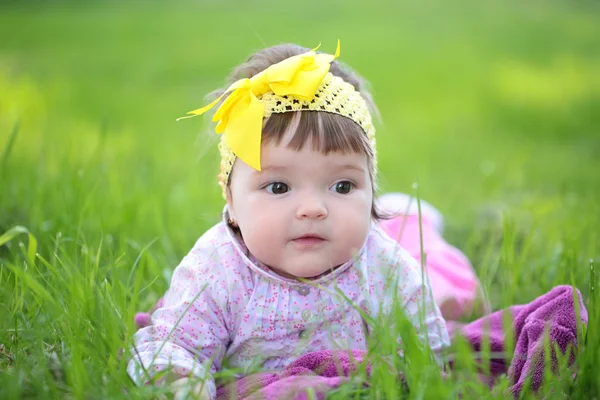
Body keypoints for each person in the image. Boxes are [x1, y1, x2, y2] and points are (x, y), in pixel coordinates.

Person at [128, 42, 481, 399]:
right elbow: (177, 348)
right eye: (279, 187)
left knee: (448, 286)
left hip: (402, 255)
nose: (312, 209)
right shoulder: (216, 269)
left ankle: (411, 220)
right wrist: (183, 384)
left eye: (343, 186)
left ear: (369, 188)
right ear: (232, 201)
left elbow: (428, 353)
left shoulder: (384, 266)